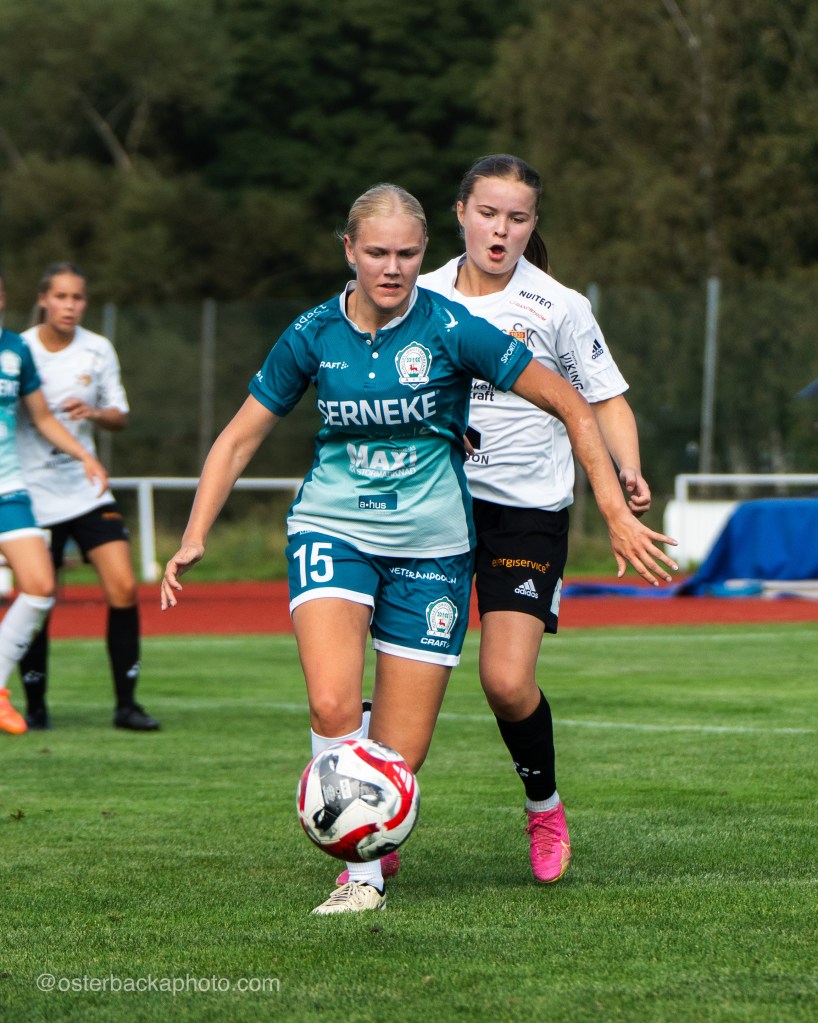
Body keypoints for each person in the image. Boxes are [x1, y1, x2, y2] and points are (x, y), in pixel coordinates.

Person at [160, 183, 676, 915]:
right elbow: (240, 436)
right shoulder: (311, 332)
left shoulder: (455, 326)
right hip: (334, 529)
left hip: (435, 545)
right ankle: (359, 876)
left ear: (423, 251)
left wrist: (615, 509)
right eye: (377, 252)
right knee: (332, 700)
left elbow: (570, 399)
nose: (392, 266)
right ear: (349, 250)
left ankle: (513, 807)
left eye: (406, 253)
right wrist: (194, 534)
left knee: (403, 755)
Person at [418, 153, 656, 884]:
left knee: (506, 682)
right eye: (488, 213)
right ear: (460, 214)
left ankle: (544, 805)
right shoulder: (420, 296)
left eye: (517, 218)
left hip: (526, 513)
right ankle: (381, 823)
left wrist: (627, 469)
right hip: (433, 505)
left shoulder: (558, 305)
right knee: (412, 677)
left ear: (533, 225)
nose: (501, 230)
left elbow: (604, 398)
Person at [15, 263, 159, 732]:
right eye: (60, 296)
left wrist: (94, 413)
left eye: (77, 297)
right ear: (43, 299)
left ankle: (127, 705)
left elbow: (120, 415)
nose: (69, 306)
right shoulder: (19, 350)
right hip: (33, 495)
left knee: (123, 587)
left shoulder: (97, 349)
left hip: (87, 490)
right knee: (38, 597)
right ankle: (35, 707)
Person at [0, 270, 108, 734]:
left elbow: (42, 418)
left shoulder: (14, 350)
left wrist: (85, 454)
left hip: (8, 486)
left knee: (40, 586)